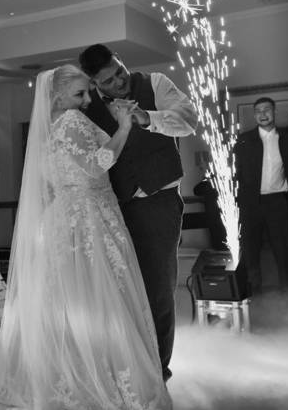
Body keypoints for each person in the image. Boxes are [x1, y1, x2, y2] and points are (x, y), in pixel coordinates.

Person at [0, 65, 171, 409]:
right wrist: (124, 125)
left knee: (68, 301)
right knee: (98, 299)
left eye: (87, 92)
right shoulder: (72, 121)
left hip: (64, 218)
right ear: (57, 96)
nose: (87, 100)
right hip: (90, 216)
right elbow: (97, 164)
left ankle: (65, 372)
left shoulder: (47, 131)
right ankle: (99, 376)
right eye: (79, 93)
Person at [79, 44, 197, 382]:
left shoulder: (155, 83)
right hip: (113, 207)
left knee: (158, 289)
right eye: (109, 80)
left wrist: (147, 118)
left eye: (120, 70)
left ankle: (158, 373)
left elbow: (188, 120)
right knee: (121, 291)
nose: (120, 81)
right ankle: (129, 368)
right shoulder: (87, 106)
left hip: (158, 202)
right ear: (94, 83)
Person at [234, 96, 288, 294]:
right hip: (250, 202)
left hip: (277, 201)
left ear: (274, 111)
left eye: (267, 109)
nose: (263, 114)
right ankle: (253, 295)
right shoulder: (244, 139)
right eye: (258, 111)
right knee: (250, 249)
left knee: (283, 249)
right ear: (255, 115)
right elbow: (235, 171)